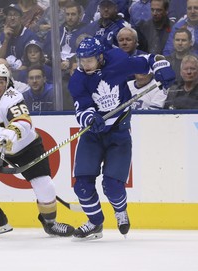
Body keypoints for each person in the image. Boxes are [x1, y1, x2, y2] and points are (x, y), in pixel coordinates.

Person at [68, 37, 175, 240]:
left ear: (100, 57)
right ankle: (94, 223)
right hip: (92, 135)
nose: (85, 64)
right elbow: (81, 108)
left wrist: (163, 67)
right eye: (82, 60)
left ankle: (120, 210)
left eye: (89, 60)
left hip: (119, 133)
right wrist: (90, 118)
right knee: (81, 185)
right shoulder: (78, 79)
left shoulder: (118, 60)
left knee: (113, 186)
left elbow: (152, 59)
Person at [0, 63, 75, 237]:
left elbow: (24, 122)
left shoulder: (14, 96)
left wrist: (12, 133)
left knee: (45, 185)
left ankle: (50, 223)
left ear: (8, 82)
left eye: (1, 81)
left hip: (27, 146)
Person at [0, 4, 39, 71]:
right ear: (6, 18)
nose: (12, 18)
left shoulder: (30, 36)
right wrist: (6, 40)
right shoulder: (4, 34)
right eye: (10, 15)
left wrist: (14, 73)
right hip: (6, 72)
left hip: (25, 73)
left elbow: (32, 63)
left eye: (15, 15)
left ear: (21, 18)